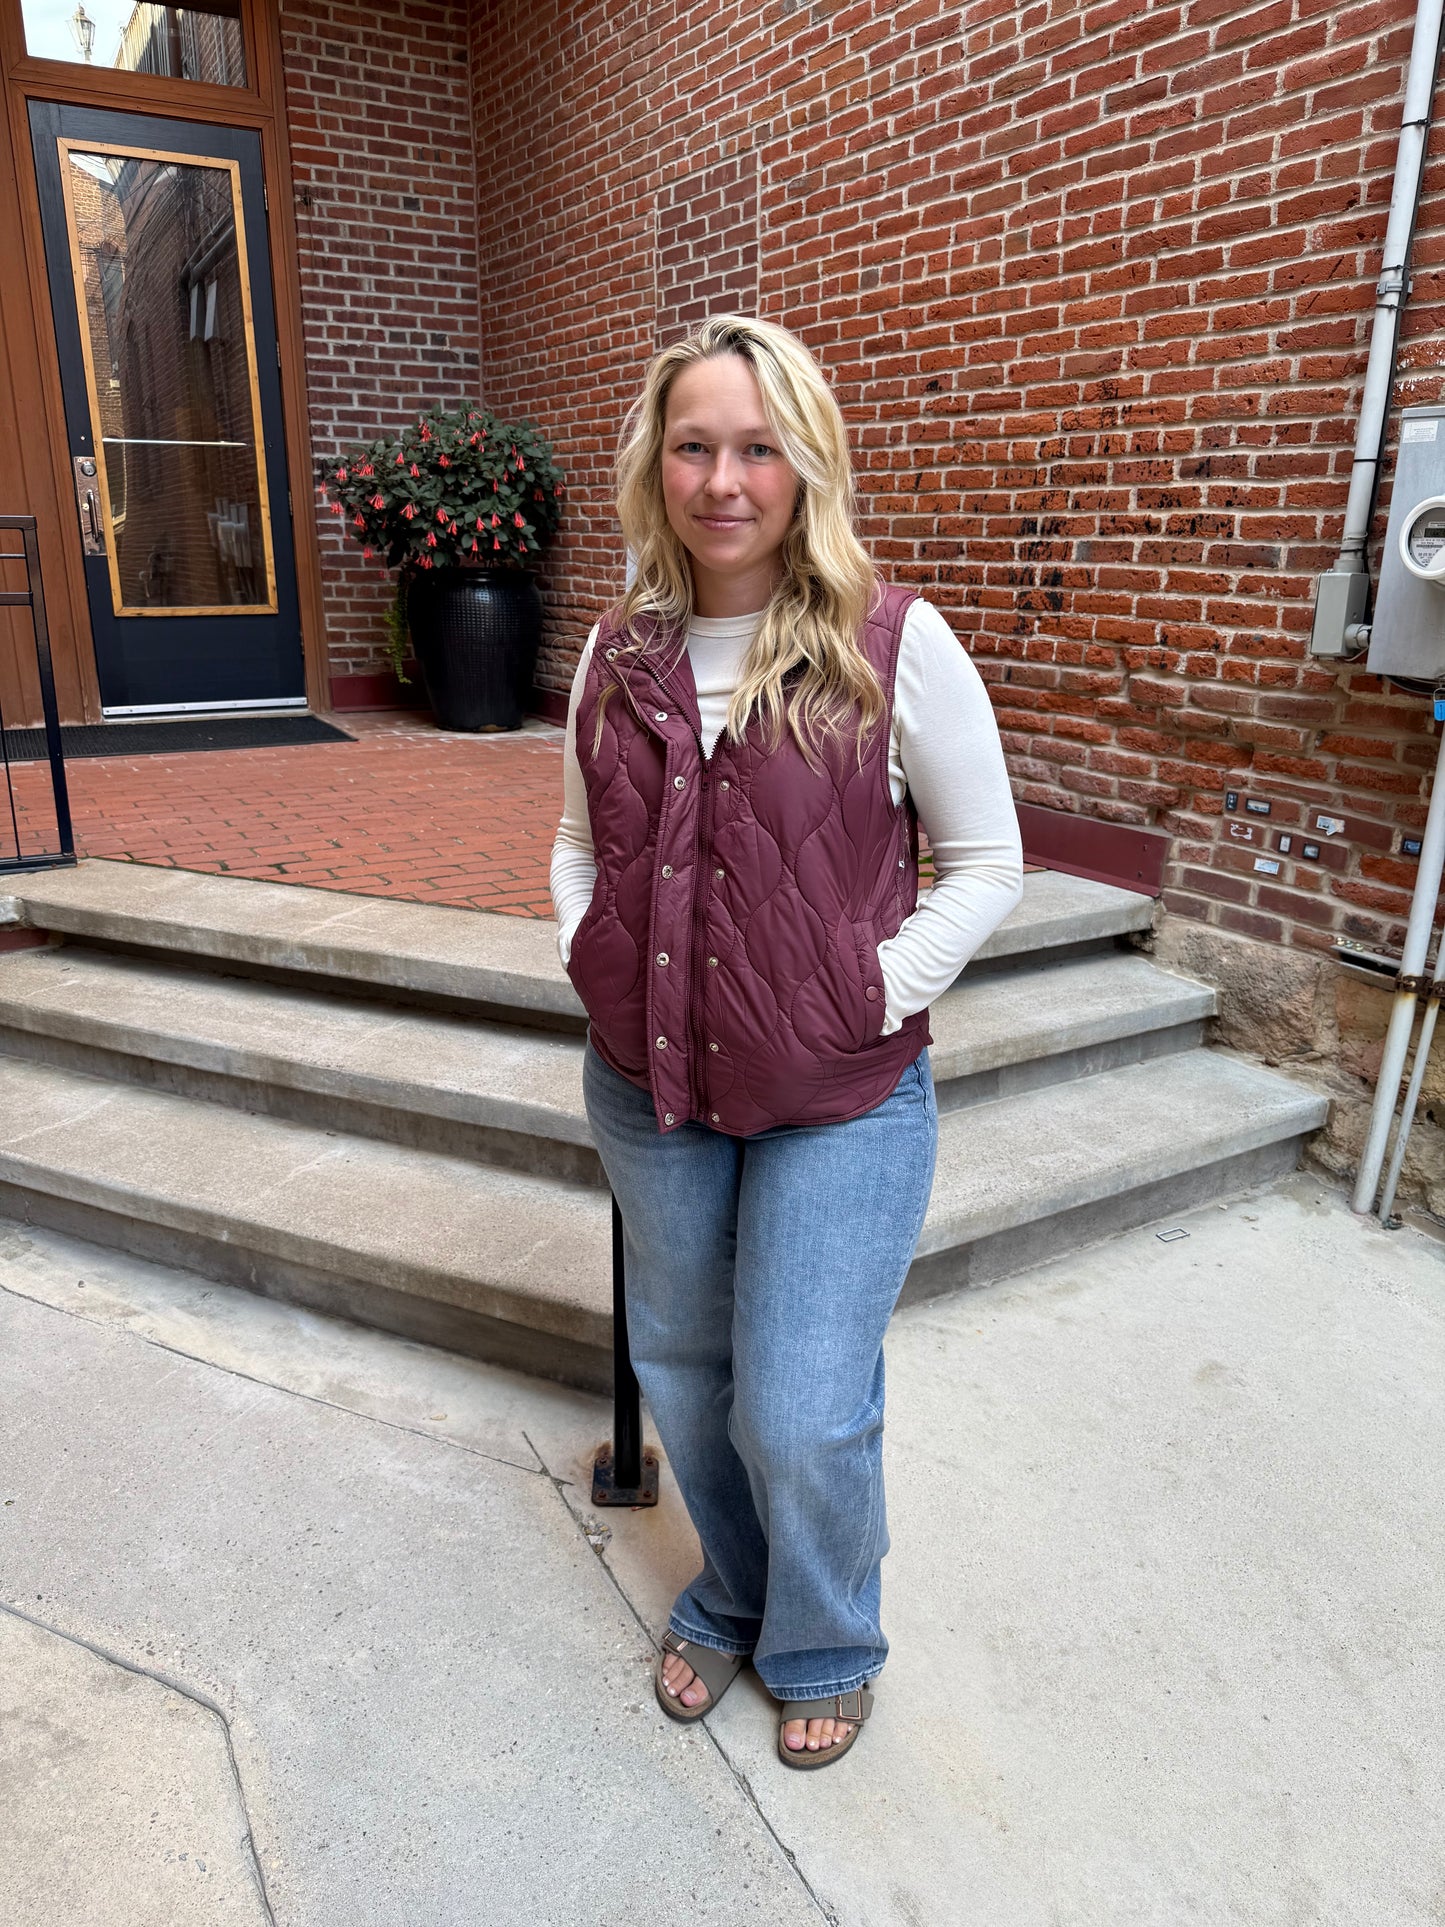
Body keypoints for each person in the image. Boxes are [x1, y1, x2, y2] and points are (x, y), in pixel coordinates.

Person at [549, 316, 1023, 1769]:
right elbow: (578, 843)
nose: (724, 479)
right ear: (656, 462)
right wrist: (592, 957)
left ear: (804, 462)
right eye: (694, 444)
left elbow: (987, 859)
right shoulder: (612, 649)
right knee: (687, 1370)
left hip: (838, 1096)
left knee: (805, 1405)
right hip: (651, 1086)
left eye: (757, 446)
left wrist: (867, 991)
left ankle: (826, 1636)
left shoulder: (892, 640)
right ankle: (736, 1590)